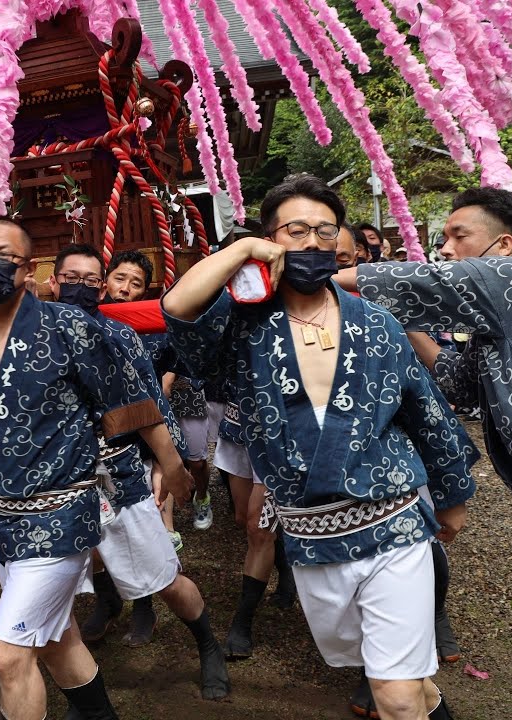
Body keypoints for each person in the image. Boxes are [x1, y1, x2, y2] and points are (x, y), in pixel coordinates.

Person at [164, 176, 477, 720]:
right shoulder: (242, 328)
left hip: (393, 521)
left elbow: (425, 411)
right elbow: (179, 310)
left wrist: (451, 494)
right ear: (270, 239)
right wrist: (240, 250)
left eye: (324, 231)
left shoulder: (377, 323)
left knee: (396, 695)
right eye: (296, 230)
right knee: (403, 682)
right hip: (310, 535)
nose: (312, 242)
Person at [346, 186, 512, 720]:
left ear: (503, 245)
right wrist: (408, 325)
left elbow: (408, 280)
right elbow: (456, 383)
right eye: (442, 237)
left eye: (458, 235)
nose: (443, 248)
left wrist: (298, 274)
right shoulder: (493, 329)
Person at [0, 216, 174, 720]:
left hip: (63, 517)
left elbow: (126, 402)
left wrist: (172, 463)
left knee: (9, 655)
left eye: (2, 257)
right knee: (58, 641)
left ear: (28, 270)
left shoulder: (67, 326)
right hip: (5, 519)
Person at [49, 243, 230, 700]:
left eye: (91, 281)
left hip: (117, 474)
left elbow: (144, 409)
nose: (83, 288)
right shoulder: (29, 335)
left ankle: (207, 643)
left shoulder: (118, 335)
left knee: (164, 577)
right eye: (72, 278)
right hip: (54, 485)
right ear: (52, 281)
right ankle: (86, 668)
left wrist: (171, 467)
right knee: (60, 579)